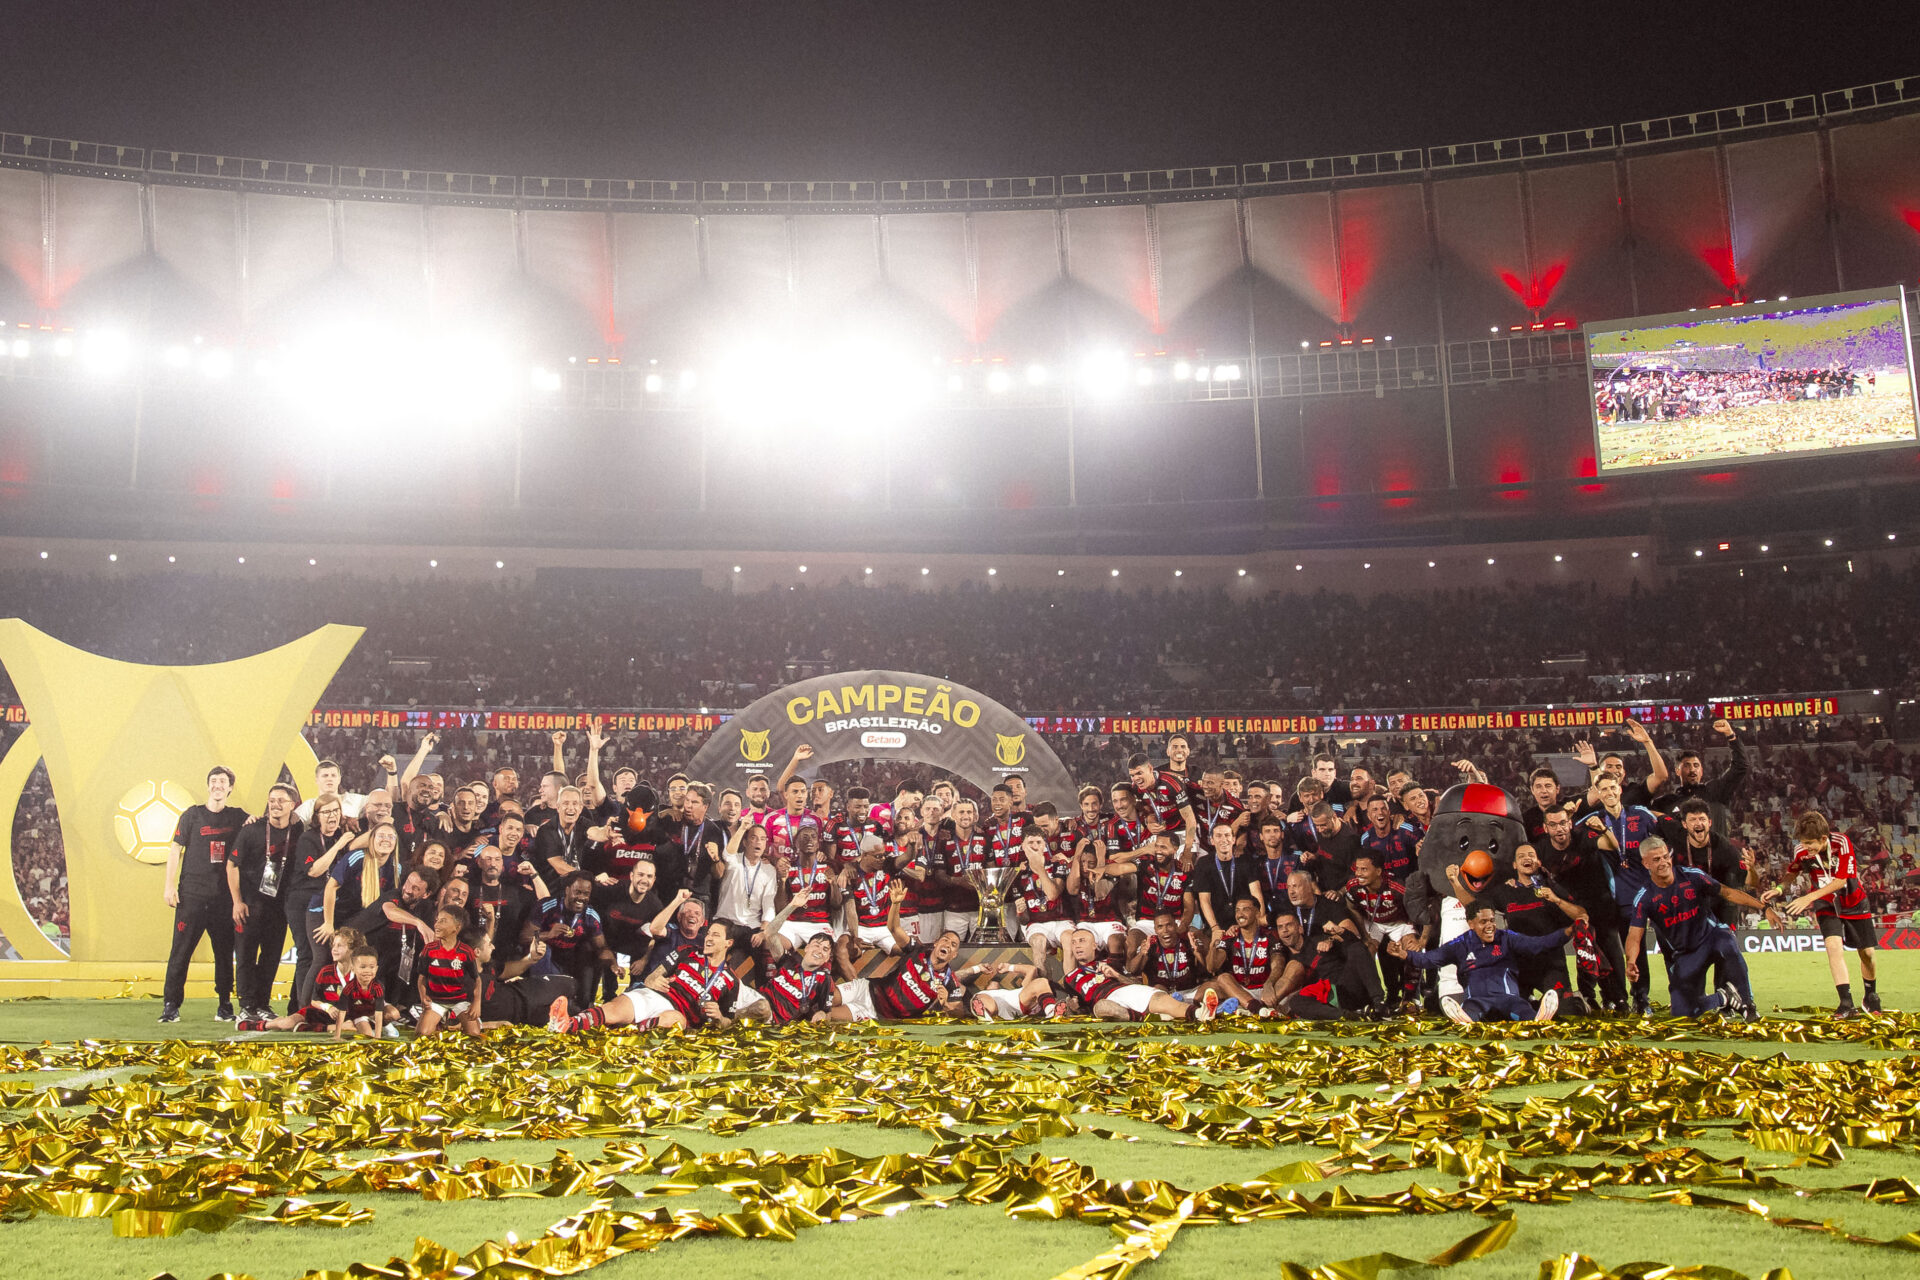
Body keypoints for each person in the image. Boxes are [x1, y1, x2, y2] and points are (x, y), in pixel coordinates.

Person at [1626, 837, 1779, 1018]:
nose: (1664, 862)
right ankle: (1724, 997)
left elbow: (1728, 892)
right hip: (1685, 954)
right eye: (1657, 860)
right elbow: (1634, 935)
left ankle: (1747, 1005)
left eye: (1666, 857)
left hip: (1711, 938)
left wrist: (1764, 908)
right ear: (1646, 864)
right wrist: (1631, 961)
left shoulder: (1692, 876)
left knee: (1728, 942)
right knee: (1682, 1013)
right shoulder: (1644, 897)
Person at [159, 766, 249, 1024]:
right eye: (213, 780)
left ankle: (224, 1004)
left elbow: (257, 828)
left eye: (222, 781)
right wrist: (169, 885)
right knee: (180, 951)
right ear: (208, 785)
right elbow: (175, 850)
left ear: (230, 787)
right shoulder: (192, 815)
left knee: (224, 953)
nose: (217, 785)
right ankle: (170, 1006)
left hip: (223, 899)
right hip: (192, 896)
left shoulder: (238, 817)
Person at [551, 918, 745, 1033]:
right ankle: (566, 1024)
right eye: (709, 933)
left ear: (728, 943)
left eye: (716, 935)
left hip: (680, 1015)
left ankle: (626, 1033)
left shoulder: (730, 981)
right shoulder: (687, 951)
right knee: (614, 1009)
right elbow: (651, 977)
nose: (709, 938)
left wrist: (719, 1016)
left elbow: (728, 1021)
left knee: (674, 1020)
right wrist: (653, 980)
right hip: (655, 996)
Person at [1391, 901, 1571, 1024]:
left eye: (1492, 920)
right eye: (1483, 922)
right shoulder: (1460, 944)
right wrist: (1404, 954)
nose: (1490, 926)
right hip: (1477, 1000)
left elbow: (1539, 944)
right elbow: (1430, 959)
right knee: (1471, 1012)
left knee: (1523, 1011)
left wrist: (1568, 932)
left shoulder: (1507, 938)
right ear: (1471, 924)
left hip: (1509, 999)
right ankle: (1463, 1018)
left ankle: (1537, 1018)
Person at [1781, 810, 1883, 1017]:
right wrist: (1779, 889)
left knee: (1867, 954)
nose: (1805, 847)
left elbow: (1840, 881)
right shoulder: (1801, 851)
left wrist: (1807, 898)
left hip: (1853, 900)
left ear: (1823, 838)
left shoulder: (1841, 843)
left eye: (1809, 843)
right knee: (1833, 946)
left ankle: (1870, 995)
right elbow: (1792, 872)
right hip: (1826, 902)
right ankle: (1846, 1003)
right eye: (1803, 842)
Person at [1463, 844, 1586, 1012]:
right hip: (1519, 965)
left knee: (1567, 1011)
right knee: (1503, 1012)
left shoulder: (1552, 887)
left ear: (1538, 862)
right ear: (1514, 865)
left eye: (1531, 855)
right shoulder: (1505, 891)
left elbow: (1582, 915)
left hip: (1550, 963)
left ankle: (1571, 1001)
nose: (1527, 858)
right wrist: (1455, 882)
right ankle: (1533, 1005)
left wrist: (1556, 899)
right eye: (1521, 856)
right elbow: (1474, 907)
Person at [829, 881, 971, 1022]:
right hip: (866, 988)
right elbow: (894, 929)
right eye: (945, 940)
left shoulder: (950, 981)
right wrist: (896, 904)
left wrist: (946, 1003)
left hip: (875, 1013)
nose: (948, 944)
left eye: (953, 945)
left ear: (954, 954)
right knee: (826, 1001)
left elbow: (958, 1013)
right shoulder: (917, 950)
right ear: (936, 943)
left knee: (828, 1016)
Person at [1583, 773, 1665, 1014]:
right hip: (1610, 900)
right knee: (1612, 953)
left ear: (1619, 789)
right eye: (1603, 790)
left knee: (1648, 949)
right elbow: (1567, 833)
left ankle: (1646, 996)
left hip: (1642, 895)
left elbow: (1665, 837)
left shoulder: (1641, 815)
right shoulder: (1591, 820)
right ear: (1597, 794)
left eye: (1612, 787)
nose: (1608, 793)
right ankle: (1617, 997)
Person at [229, 781, 303, 1023]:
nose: (276, 805)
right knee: (246, 954)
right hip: (251, 903)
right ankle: (246, 1005)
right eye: (272, 800)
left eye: (281, 801)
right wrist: (237, 901)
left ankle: (262, 1003)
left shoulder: (299, 830)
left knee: (271, 957)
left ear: (292, 805)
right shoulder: (252, 829)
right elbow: (232, 865)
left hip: (279, 906)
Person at [1058, 927, 1215, 1022]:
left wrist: (1116, 975)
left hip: (1124, 990)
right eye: (1074, 942)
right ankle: (1151, 1016)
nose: (1077, 945)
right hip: (1106, 1003)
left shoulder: (1111, 962)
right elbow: (1078, 1010)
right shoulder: (1070, 979)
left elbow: (1135, 983)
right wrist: (1073, 1009)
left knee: (1159, 999)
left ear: (1094, 945)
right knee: (1102, 1008)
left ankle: (1200, 1013)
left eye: (1082, 940)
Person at [287, 794, 353, 1009]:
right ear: (317, 816)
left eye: (336, 811)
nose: (332, 815)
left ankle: (316, 1003)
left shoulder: (341, 836)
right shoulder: (309, 838)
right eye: (326, 812)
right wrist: (339, 845)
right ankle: (300, 1008)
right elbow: (314, 870)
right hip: (302, 901)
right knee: (308, 954)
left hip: (326, 901)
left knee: (323, 956)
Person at [239, 927, 367, 1034]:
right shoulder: (326, 972)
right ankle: (253, 1024)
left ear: (353, 950)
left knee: (358, 1026)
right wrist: (327, 1007)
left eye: (340, 946)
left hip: (346, 1016)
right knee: (287, 1023)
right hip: (319, 1013)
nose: (334, 949)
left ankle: (311, 1028)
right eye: (333, 945)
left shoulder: (362, 974)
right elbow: (314, 1000)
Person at [536, 872, 614, 1003]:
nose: (581, 898)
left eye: (586, 894)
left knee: (590, 950)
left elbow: (601, 947)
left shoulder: (591, 915)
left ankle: (585, 1002)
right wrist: (548, 934)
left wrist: (613, 963)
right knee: (542, 948)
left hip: (570, 960)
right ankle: (543, 999)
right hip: (547, 960)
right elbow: (524, 937)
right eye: (577, 892)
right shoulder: (548, 906)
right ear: (567, 890)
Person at [1009, 828, 1074, 971]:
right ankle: (1046, 990)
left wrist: (1040, 869)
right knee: (1038, 942)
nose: (1034, 846)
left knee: (1070, 940)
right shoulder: (1018, 874)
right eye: (1030, 842)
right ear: (1022, 846)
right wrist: (1021, 912)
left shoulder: (1057, 864)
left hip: (1061, 921)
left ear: (1045, 844)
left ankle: (1072, 988)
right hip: (1036, 923)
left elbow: (1053, 895)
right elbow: (1024, 920)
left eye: (1038, 842)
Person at [415, 905, 482, 1038]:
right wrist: (423, 997)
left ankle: (456, 1020)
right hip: (436, 1000)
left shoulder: (466, 951)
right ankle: (435, 1019)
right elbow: (421, 978)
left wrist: (476, 1003)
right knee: (422, 1034)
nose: (436, 924)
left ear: (456, 928)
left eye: (443, 921)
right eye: (437, 920)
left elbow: (477, 980)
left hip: (459, 1001)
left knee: (474, 1034)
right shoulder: (429, 950)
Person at [1191, 821, 1263, 934]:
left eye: (1227, 835)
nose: (1224, 839)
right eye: (1219, 836)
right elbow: (1205, 901)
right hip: (1216, 924)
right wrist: (1216, 929)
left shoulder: (1246, 861)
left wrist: (1258, 922)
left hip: (1244, 923)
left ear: (1233, 839)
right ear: (1212, 841)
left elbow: (1257, 894)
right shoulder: (1203, 864)